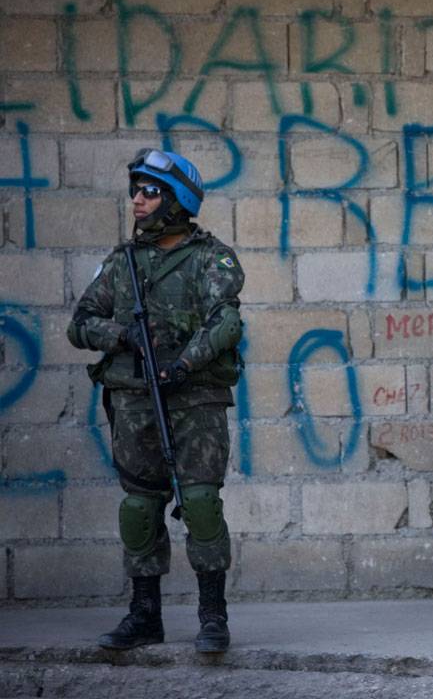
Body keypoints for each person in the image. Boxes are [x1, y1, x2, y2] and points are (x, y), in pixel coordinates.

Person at [67, 149, 244, 653]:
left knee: (202, 503)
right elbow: (79, 324)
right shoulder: (121, 262)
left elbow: (225, 322)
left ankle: (213, 617)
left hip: (196, 400)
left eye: (150, 192)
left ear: (176, 200)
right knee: (139, 507)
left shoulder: (213, 258)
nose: (138, 201)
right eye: (136, 191)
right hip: (135, 400)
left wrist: (183, 365)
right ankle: (144, 616)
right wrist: (124, 336)